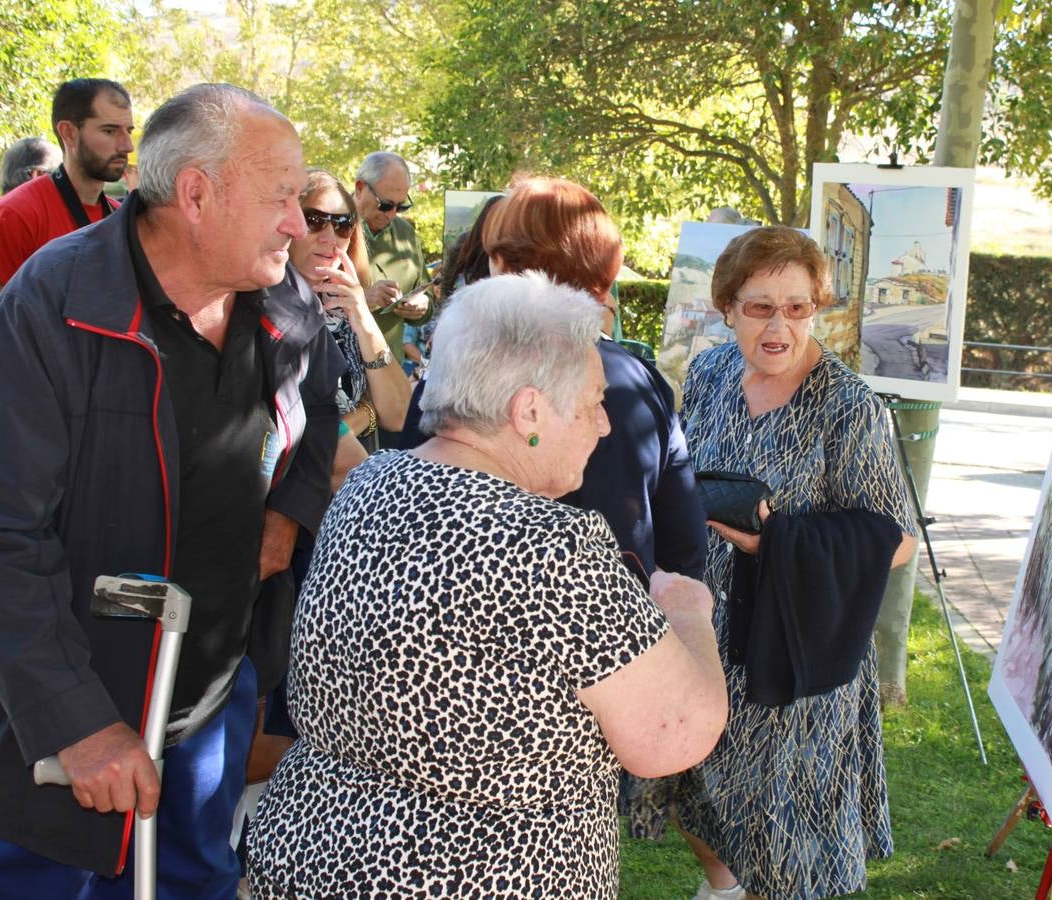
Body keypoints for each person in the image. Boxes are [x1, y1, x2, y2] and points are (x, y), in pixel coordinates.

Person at [246, 272, 728, 897]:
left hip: (310, 858)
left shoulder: (369, 486)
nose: (605, 427)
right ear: (528, 411)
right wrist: (689, 611)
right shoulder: (552, 545)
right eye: (592, 405)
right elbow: (673, 736)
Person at [0, 83, 341, 898]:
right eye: (282, 198)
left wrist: (289, 511)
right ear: (195, 194)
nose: (300, 224)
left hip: (213, 692)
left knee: (195, 880)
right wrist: (75, 725)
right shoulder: (57, 303)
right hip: (65, 714)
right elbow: (4, 530)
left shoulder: (282, 298)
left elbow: (317, 409)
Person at [667, 226, 918, 900]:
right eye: (759, 308)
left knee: (787, 830)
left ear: (817, 308)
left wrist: (780, 542)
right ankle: (724, 888)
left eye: (798, 308)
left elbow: (897, 540)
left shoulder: (848, 408)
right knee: (697, 784)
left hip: (796, 645)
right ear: (726, 307)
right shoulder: (713, 373)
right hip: (710, 629)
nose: (779, 326)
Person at [399, 175, 708, 584]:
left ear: (506, 267)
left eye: (494, 255)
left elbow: (416, 507)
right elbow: (684, 547)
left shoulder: (458, 374)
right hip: (630, 626)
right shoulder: (643, 381)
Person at [289, 168, 413, 465]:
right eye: (315, 221)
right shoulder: (269, 309)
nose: (330, 238)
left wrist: (365, 321)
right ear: (288, 223)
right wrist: (365, 414)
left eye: (343, 224)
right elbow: (311, 440)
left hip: (350, 488)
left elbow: (398, 414)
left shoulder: (344, 310)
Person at [0, 79, 134, 299]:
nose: (127, 146)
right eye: (110, 131)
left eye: (128, 131)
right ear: (68, 133)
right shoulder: (17, 214)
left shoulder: (121, 218)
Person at [352, 151, 433, 361]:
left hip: (389, 365)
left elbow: (426, 292)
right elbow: (304, 302)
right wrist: (362, 300)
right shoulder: (330, 227)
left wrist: (422, 306)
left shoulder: (405, 233)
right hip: (341, 368)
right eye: (386, 205)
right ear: (360, 188)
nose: (392, 214)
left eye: (401, 206)